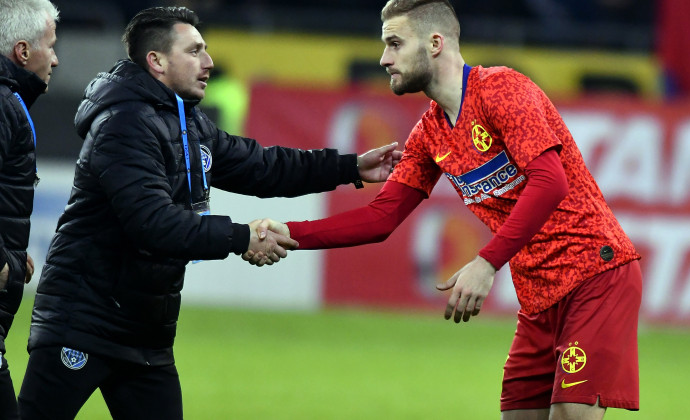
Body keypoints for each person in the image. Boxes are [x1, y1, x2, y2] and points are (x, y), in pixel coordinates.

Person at [250, 1, 642, 419]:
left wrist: (486, 263)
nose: (384, 59)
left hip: (595, 272)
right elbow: (380, 218)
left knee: (570, 414)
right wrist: (288, 232)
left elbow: (550, 182)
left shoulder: (502, 89)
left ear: (435, 43)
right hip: (539, 295)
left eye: (395, 44)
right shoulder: (429, 133)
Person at [16, 6, 400, 420]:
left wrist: (349, 167)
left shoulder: (188, 122)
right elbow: (153, 223)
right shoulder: (122, 124)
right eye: (195, 50)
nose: (209, 61)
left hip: (145, 334)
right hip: (82, 324)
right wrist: (241, 237)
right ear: (157, 61)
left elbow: (261, 166)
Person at [0, 0, 59, 418]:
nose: (55, 58)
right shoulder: (3, 104)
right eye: (50, 46)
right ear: (23, 51)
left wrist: (10, 254)